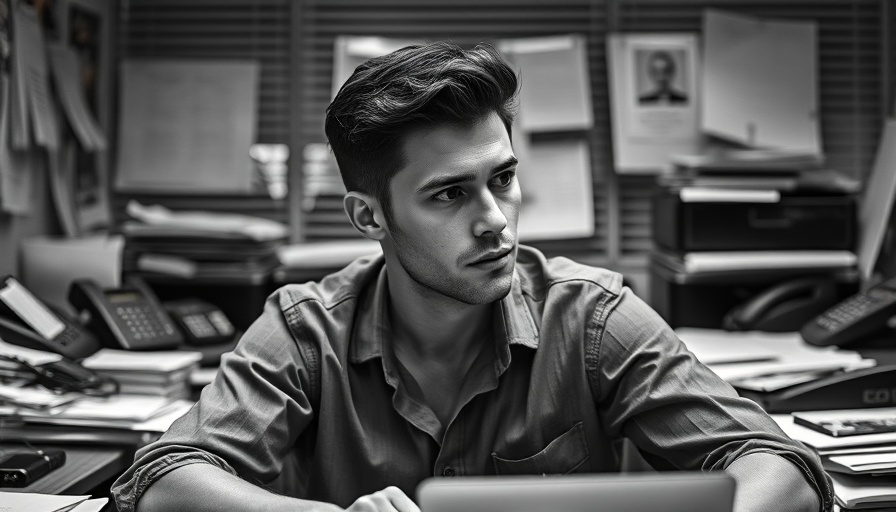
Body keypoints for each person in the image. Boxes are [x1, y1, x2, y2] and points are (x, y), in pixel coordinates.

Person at [111, 42, 832, 512]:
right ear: (369, 216)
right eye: (450, 194)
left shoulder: (591, 317)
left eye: (504, 178)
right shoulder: (305, 330)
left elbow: (785, 469)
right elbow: (166, 481)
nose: (496, 220)